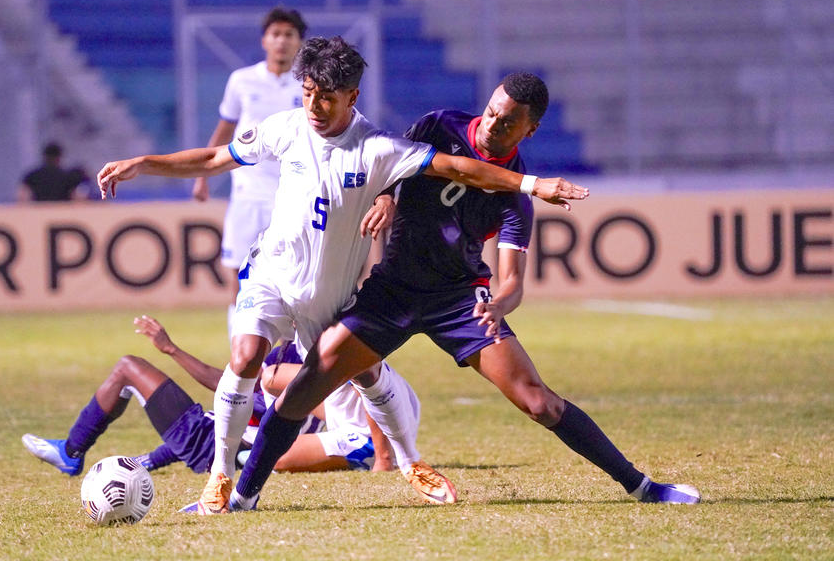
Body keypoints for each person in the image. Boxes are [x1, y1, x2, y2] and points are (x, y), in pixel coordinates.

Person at [96, 36, 587, 514]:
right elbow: (211, 158)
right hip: (271, 274)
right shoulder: (284, 128)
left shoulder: (376, 148)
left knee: (366, 374)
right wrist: (144, 163)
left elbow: (462, 169)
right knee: (245, 358)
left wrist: (531, 184)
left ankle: (411, 462)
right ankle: (219, 480)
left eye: (326, 97)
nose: (314, 106)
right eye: (307, 93)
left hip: (327, 294)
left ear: (352, 96)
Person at [228, 73, 700, 512]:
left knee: (539, 401)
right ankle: (243, 498)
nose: (494, 123)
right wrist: (386, 197)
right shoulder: (439, 125)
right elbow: (390, 164)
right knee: (306, 384)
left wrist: (501, 303)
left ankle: (642, 487)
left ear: (529, 131)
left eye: (509, 121)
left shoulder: (515, 198)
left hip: (458, 302)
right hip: (393, 289)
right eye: (493, 110)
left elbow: (512, 279)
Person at [21, 315, 416, 480]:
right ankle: (80, 453)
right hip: (221, 439)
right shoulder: (304, 353)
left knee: (128, 368)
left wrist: (172, 350)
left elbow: (230, 391)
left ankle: (72, 452)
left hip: (222, 443)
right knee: (220, 424)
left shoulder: (302, 359)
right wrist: (147, 461)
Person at [191, 7, 307, 331]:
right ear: (264, 40)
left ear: (300, 42)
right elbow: (223, 133)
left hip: (292, 196)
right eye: (276, 34)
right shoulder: (241, 81)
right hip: (247, 194)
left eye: (289, 35)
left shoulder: (308, 84)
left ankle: (286, 356)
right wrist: (203, 177)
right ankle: (239, 354)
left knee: (292, 277)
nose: (281, 41)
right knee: (238, 273)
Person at [18, 142, 89, 202]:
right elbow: (77, 197)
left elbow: (22, 196)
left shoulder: (33, 175)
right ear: (59, 157)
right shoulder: (67, 176)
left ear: (44, 157)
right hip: (63, 212)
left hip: (39, 212)